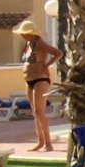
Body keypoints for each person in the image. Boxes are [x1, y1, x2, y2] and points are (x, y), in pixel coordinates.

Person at [13, 20, 62, 153]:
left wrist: (46, 65)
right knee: (35, 113)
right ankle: (40, 142)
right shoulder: (28, 44)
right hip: (29, 80)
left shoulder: (40, 43)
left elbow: (58, 53)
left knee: (40, 112)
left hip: (40, 80)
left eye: (24, 33)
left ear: (31, 33)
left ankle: (48, 143)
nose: (22, 36)